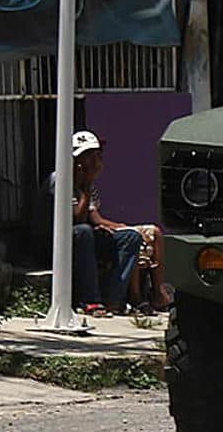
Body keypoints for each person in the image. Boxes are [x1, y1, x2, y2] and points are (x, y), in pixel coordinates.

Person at [67, 131, 169, 315]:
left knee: (133, 236)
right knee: (84, 232)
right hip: (72, 240)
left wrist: (119, 227)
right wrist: (87, 187)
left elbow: (94, 217)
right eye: (90, 158)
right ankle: (97, 299)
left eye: (97, 156)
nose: (96, 163)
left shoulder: (88, 186)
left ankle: (120, 298)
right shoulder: (65, 183)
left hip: (90, 234)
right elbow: (77, 219)